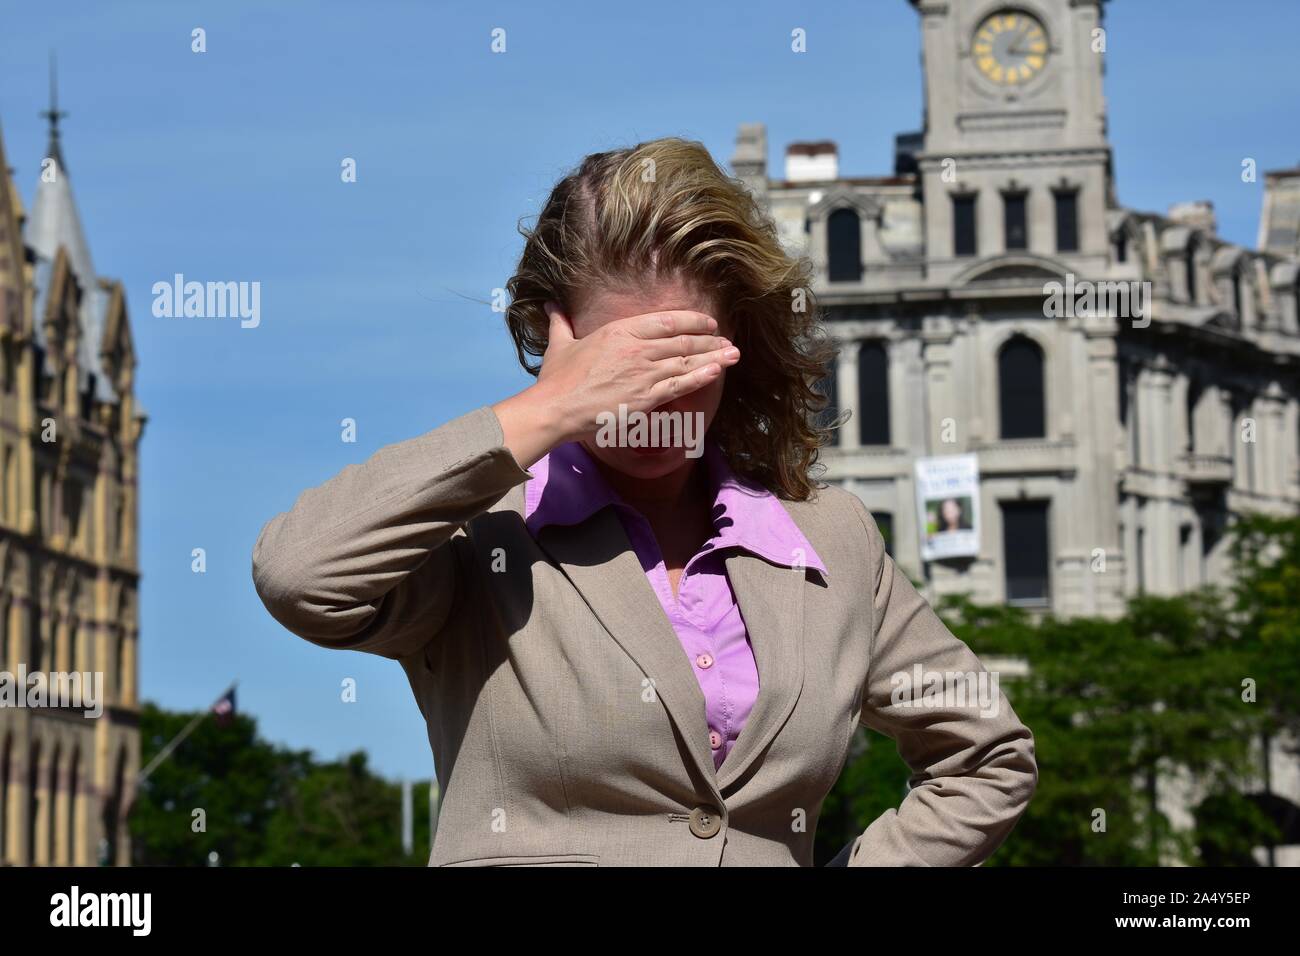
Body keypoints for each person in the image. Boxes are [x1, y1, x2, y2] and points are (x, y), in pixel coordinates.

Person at [251, 137, 1037, 866]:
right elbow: (300, 575)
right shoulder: (481, 531)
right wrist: (549, 412)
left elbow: (986, 755)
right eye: (622, 362)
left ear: (738, 344)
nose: (652, 397)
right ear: (551, 338)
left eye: (682, 356)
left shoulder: (829, 539)